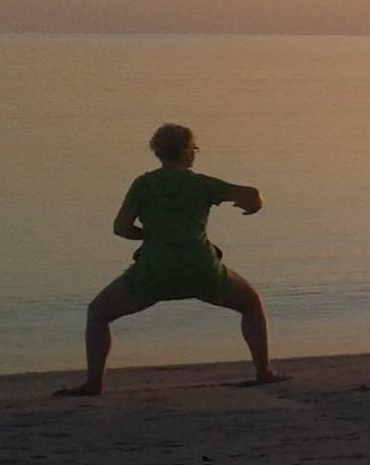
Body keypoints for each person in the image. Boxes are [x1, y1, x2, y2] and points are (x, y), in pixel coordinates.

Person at [53, 124, 283, 396]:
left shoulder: (144, 184)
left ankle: (94, 383)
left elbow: (121, 228)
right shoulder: (202, 184)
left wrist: (150, 235)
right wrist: (256, 204)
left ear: (159, 153)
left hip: (153, 271)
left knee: (98, 314)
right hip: (201, 269)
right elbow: (251, 194)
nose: (195, 153)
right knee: (251, 304)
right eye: (194, 148)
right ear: (186, 152)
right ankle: (263, 372)